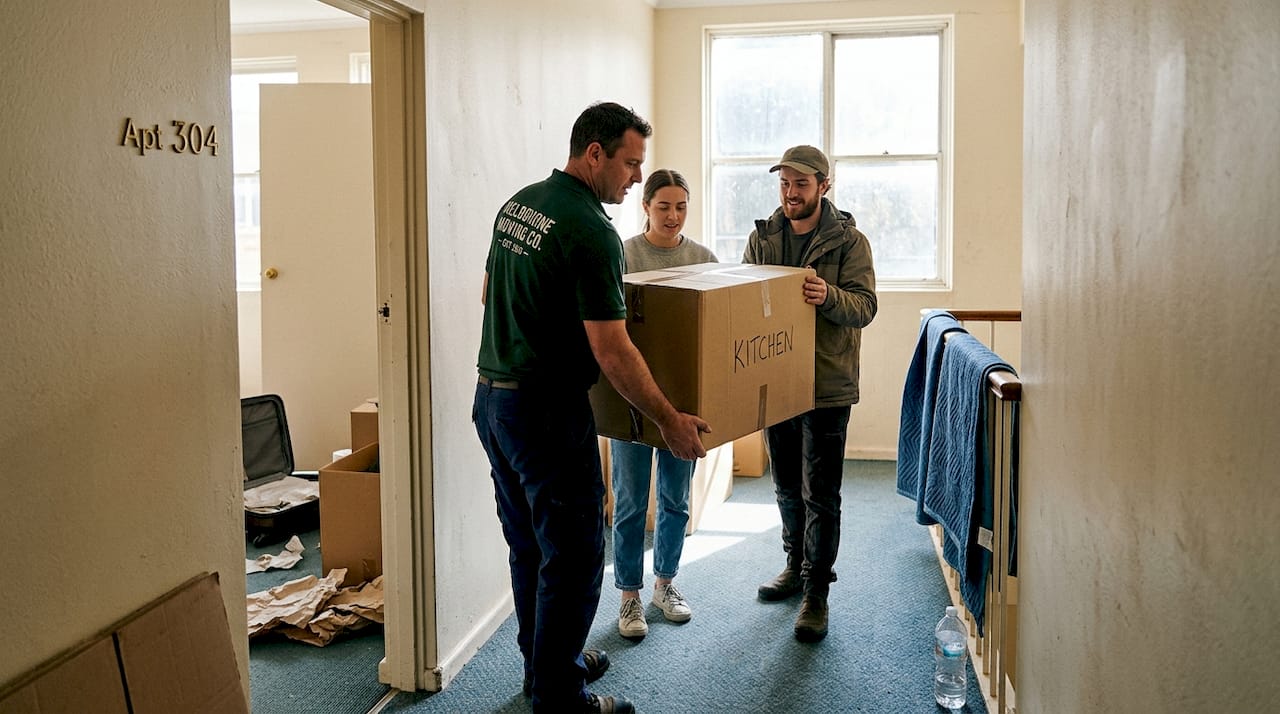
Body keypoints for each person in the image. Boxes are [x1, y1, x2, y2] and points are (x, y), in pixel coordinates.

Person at [474, 102, 709, 714]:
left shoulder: (519, 205)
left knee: (529, 546)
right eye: (631, 164)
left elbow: (489, 290)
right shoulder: (591, 229)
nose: (636, 179)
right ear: (595, 153)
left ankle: (545, 663)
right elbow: (612, 349)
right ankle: (560, 697)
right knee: (577, 556)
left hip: (493, 403)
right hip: (546, 414)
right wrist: (669, 420)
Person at [742, 145, 877, 643]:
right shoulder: (762, 238)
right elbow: (743, 301)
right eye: (784, 183)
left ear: (824, 185)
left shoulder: (851, 242)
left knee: (820, 491)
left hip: (826, 384)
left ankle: (817, 590)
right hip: (775, 380)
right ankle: (794, 565)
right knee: (784, 484)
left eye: (801, 183)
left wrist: (828, 297)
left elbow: (865, 307)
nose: (790, 192)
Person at [609, 169, 717, 640]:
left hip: (683, 402)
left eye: (681, 206)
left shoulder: (704, 259)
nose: (673, 216)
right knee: (632, 502)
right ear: (646, 207)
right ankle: (629, 596)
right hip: (629, 400)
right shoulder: (623, 255)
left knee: (675, 500)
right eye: (663, 206)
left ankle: (666, 584)